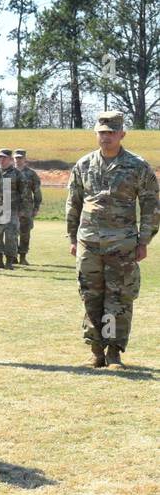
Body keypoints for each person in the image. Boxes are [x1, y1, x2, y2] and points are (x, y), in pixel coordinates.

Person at [67, 110, 158, 367]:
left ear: (122, 134)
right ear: (96, 133)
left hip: (122, 244)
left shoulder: (137, 166)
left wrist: (144, 240)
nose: (105, 137)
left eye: (111, 132)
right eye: (101, 132)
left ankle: (113, 351)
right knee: (91, 296)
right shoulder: (84, 164)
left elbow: (151, 204)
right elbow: (73, 202)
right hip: (89, 243)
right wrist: (72, 237)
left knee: (118, 298)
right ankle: (96, 350)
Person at [12, 149, 42, 264]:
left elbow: (37, 191)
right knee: (12, 233)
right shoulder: (9, 172)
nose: (18, 160)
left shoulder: (31, 174)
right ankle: (12, 256)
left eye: (20, 158)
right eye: (16, 158)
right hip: (12, 208)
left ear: (25, 159)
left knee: (25, 233)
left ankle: (23, 257)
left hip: (26, 209)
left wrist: (36, 207)